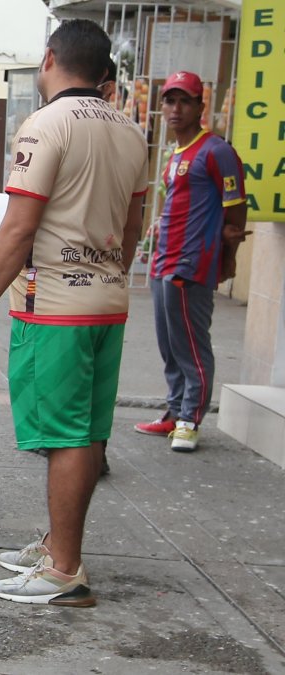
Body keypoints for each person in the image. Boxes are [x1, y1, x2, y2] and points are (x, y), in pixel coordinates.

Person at [0, 19, 149, 605]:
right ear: (103, 71)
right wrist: (108, 272)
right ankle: (59, 544)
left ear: (49, 59)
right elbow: (133, 225)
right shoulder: (130, 129)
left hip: (55, 305)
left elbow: (17, 226)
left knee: (64, 437)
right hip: (106, 301)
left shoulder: (45, 125)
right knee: (87, 434)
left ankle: (65, 569)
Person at [134, 71, 247, 452]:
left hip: (192, 264)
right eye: (169, 101)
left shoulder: (216, 151)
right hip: (163, 262)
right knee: (169, 345)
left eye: (185, 101)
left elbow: (236, 211)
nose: (176, 109)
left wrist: (226, 259)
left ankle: (189, 419)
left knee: (192, 346)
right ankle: (173, 412)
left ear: (201, 106)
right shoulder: (175, 154)